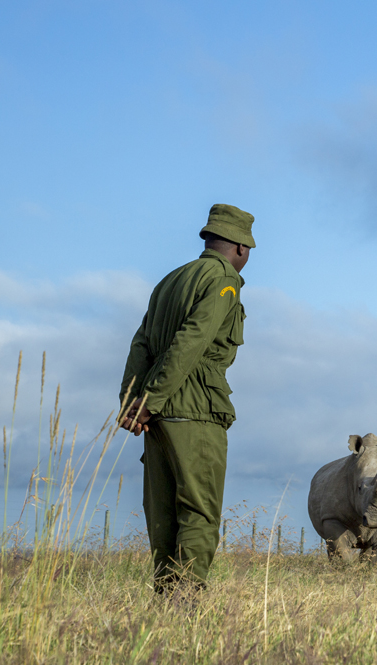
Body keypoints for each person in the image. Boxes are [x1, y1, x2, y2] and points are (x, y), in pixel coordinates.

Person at [119, 203, 255, 593]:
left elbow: (140, 345)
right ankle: (186, 604)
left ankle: (166, 604)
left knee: (162, 514)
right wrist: (152, 399)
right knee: (199, 511)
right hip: (195, 408)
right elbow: (192, 340)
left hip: (156, 415)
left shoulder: (169, 281)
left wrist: (133, 403)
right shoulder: (224, 280)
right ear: (241, 247)